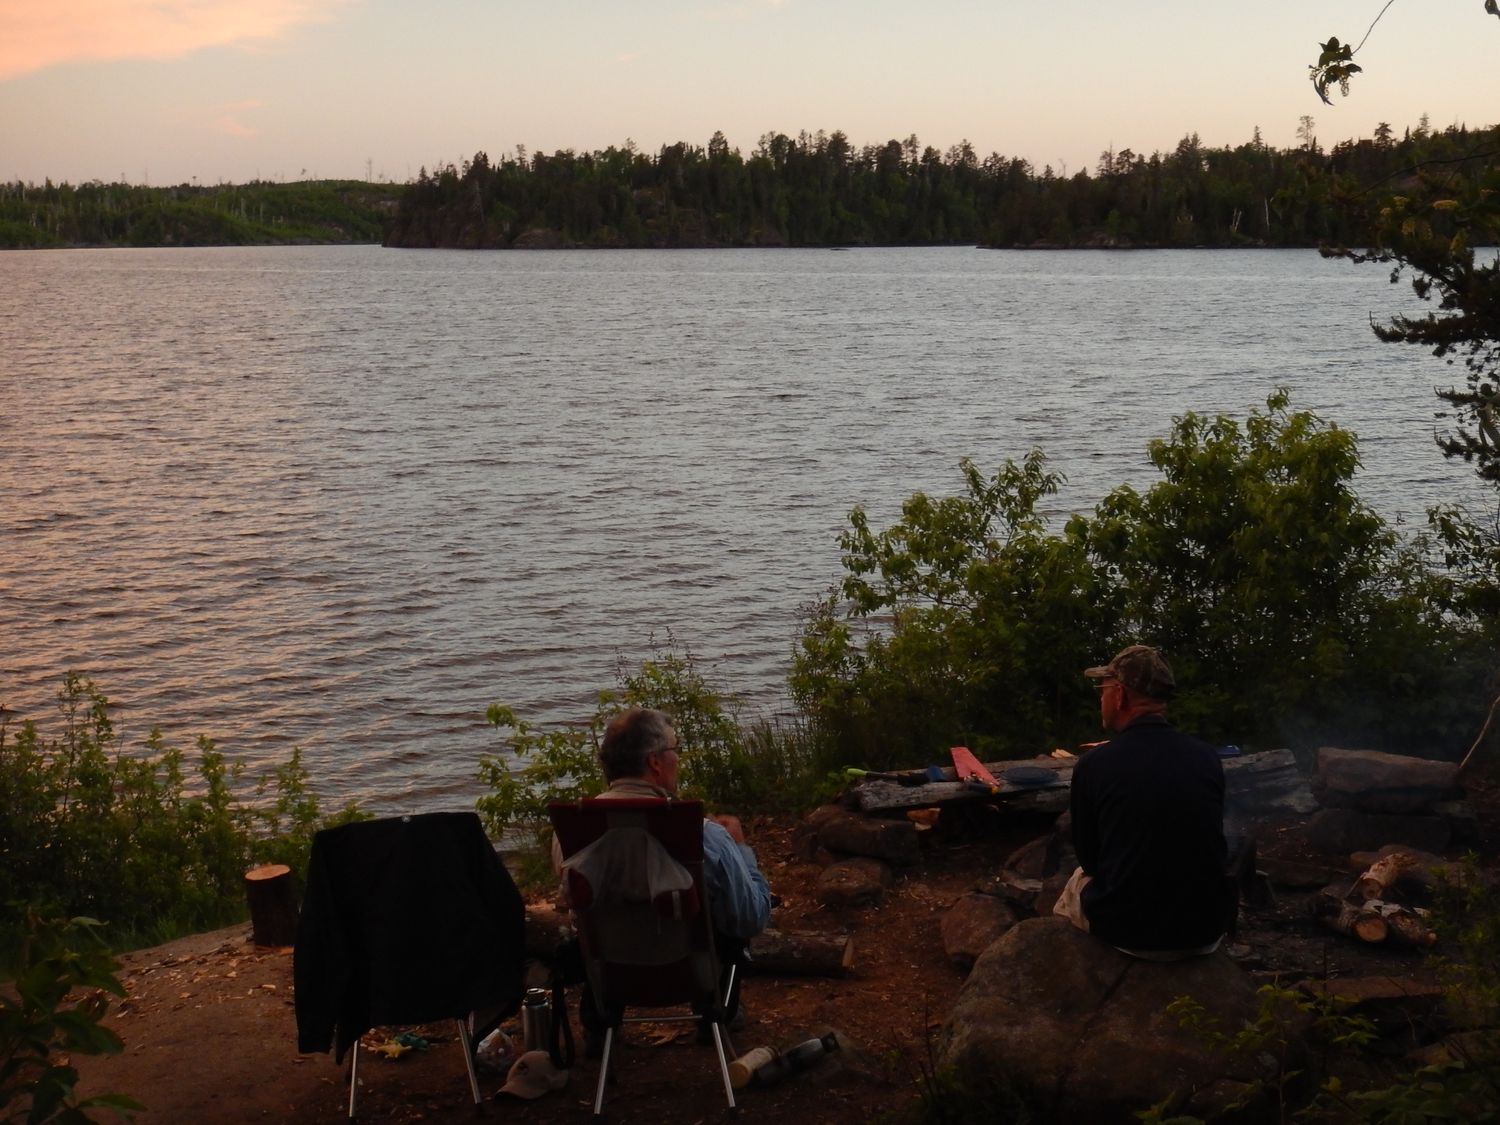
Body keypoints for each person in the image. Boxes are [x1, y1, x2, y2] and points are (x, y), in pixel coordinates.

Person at [553, 707, 772, 1046]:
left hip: (609, 978)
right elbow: (750, 918)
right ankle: (714, 1016)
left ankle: (600, 1028)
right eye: (675, 750)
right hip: (691, 974)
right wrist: (741, 850)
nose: (678, 758)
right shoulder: (705, 835)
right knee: (724, 916)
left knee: (598, 920)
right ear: (655, 762)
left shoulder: (569, 834)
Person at [1053, 645, 1235, 959]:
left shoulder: (1094, 764)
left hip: (1130, 933)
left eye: (1103, 690)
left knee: (1076, 882)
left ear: (1120, 695)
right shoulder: (1206, 757)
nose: (1101, 699)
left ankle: (1078, 972)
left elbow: (1091, 861)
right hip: (1206, 928)